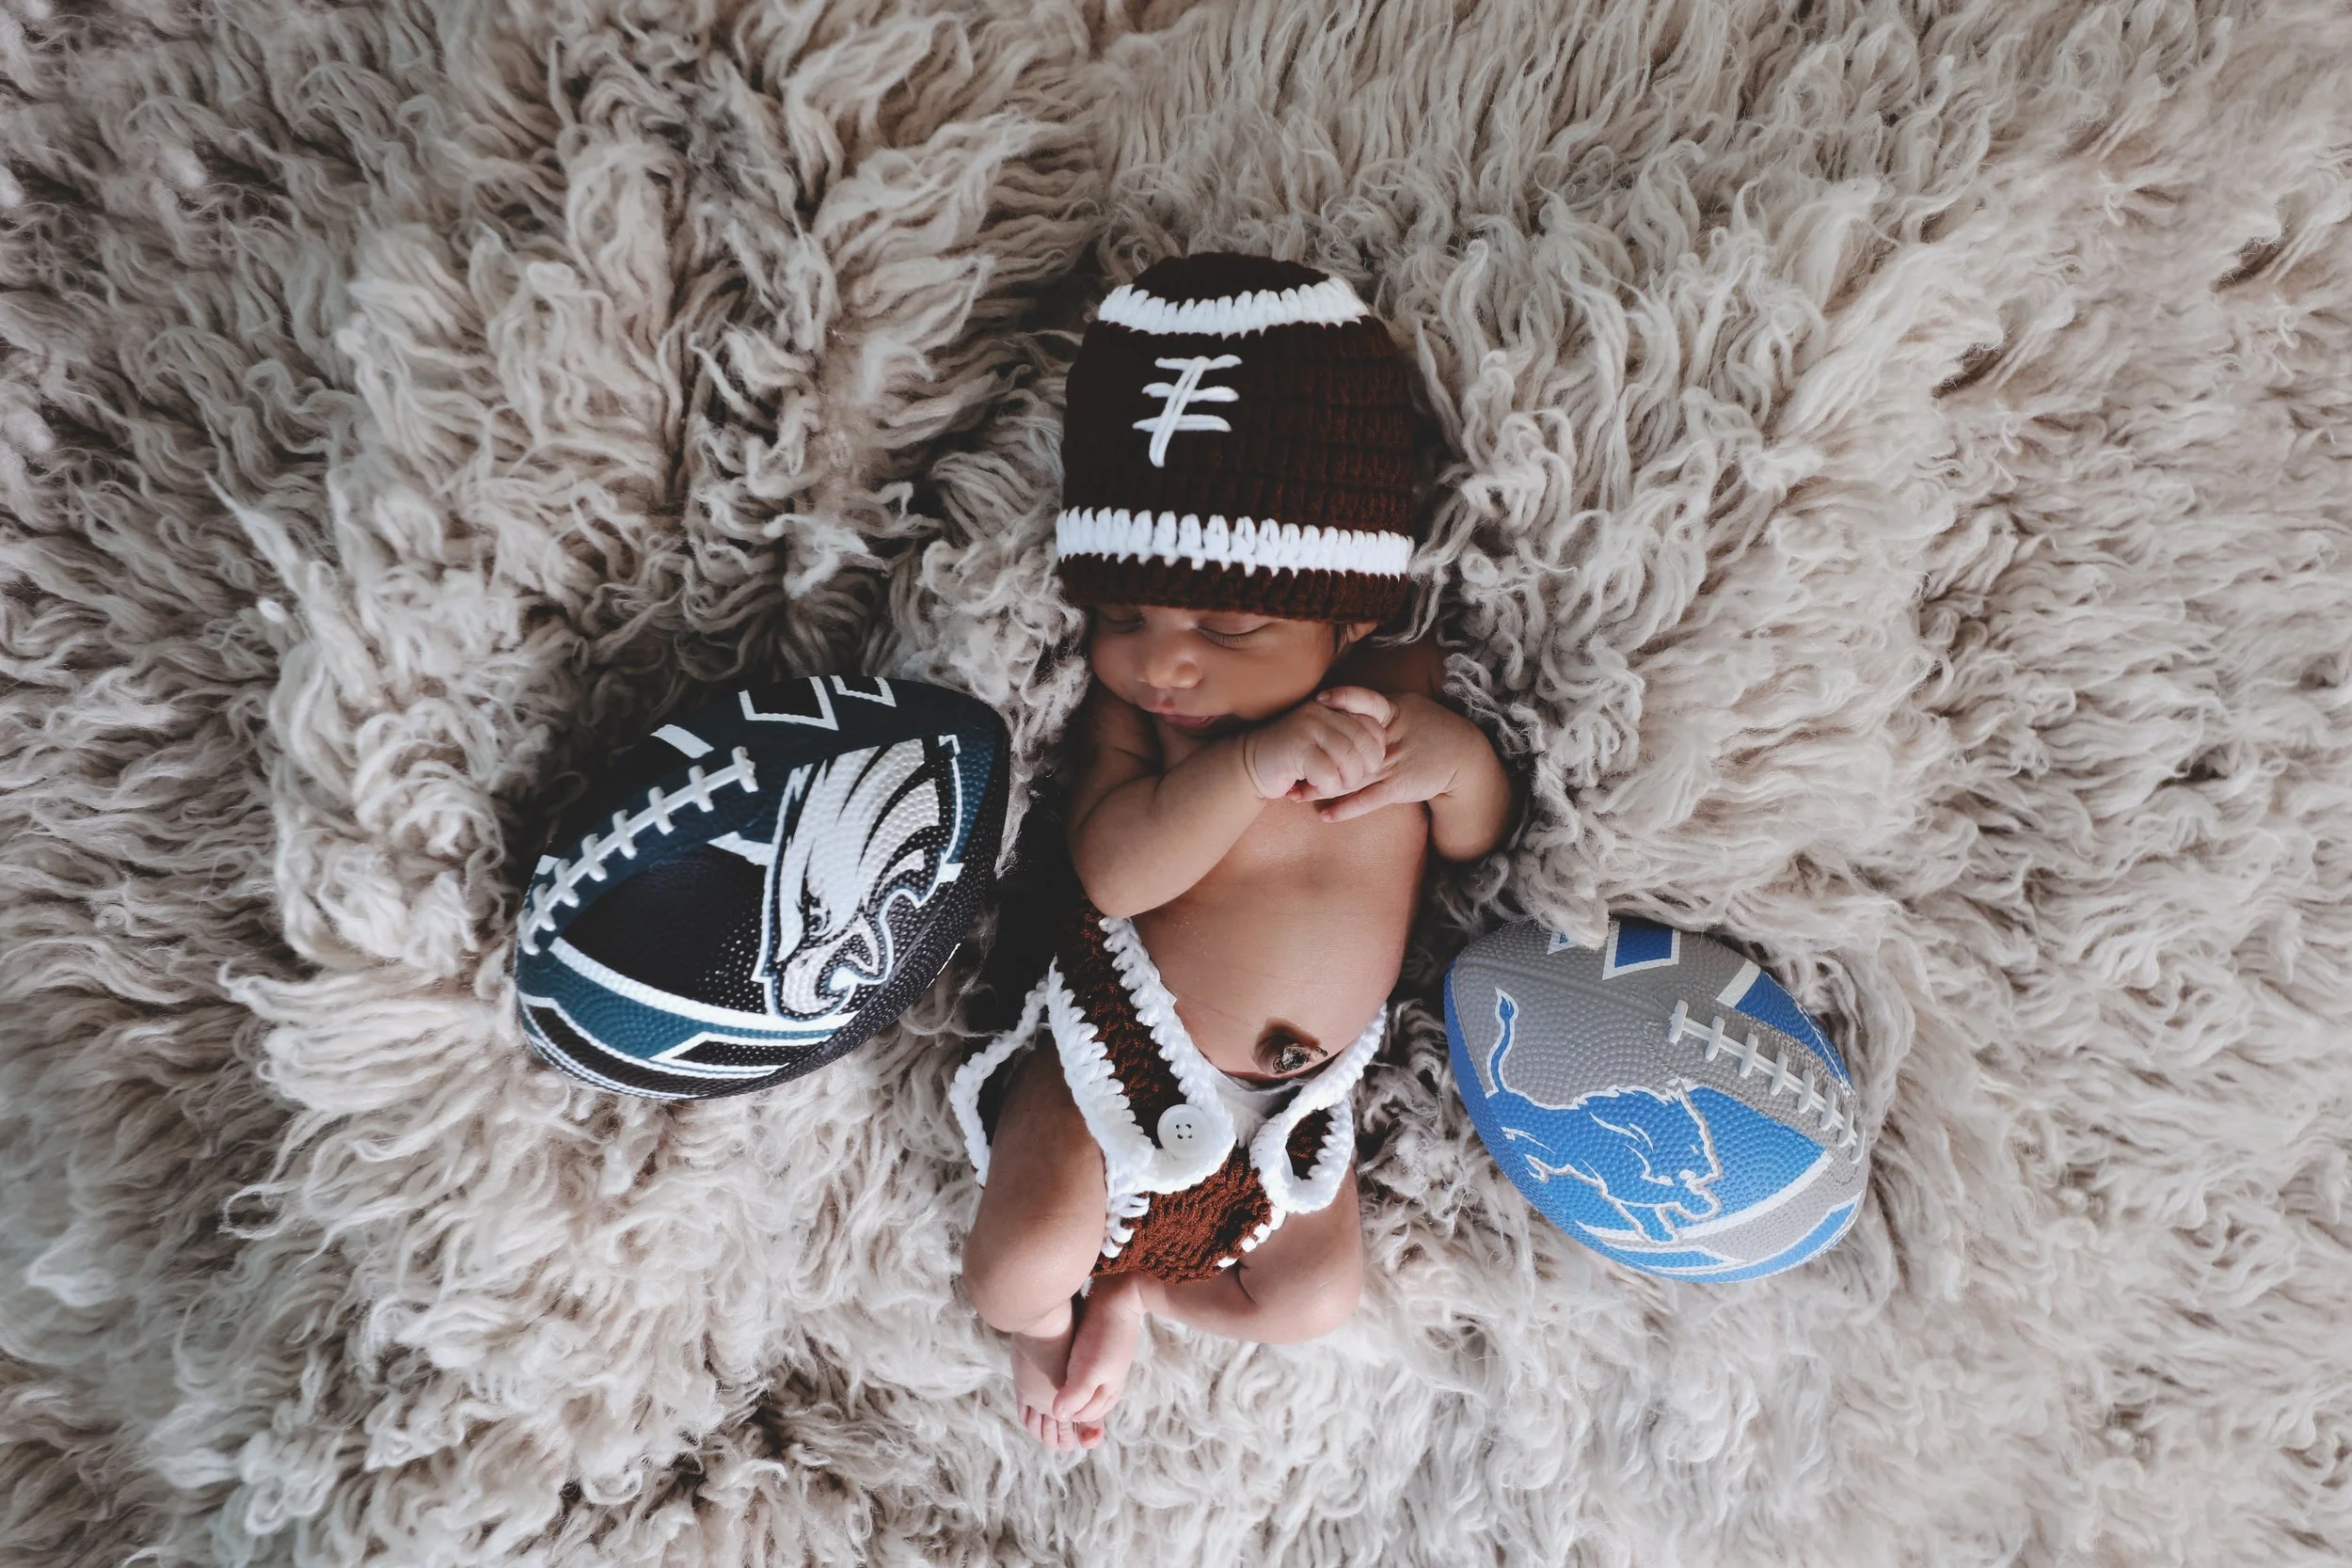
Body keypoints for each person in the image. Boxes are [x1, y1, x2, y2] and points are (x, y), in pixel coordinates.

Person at [949, 253, 1515, 1450]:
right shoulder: (1145, 728)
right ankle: (1050, 1330)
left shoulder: (1396, 698)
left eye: (1227, 625)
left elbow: (1478, 843)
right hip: (1118, 1059)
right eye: (1122, 617)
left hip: (1297, 1115)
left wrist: (1452, 764)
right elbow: (1112, 870)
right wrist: (1246, 769)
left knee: (1314, 1298)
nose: (1166, 662)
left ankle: (1140, 1294)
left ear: (1347, 611)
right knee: (1010, 1273)